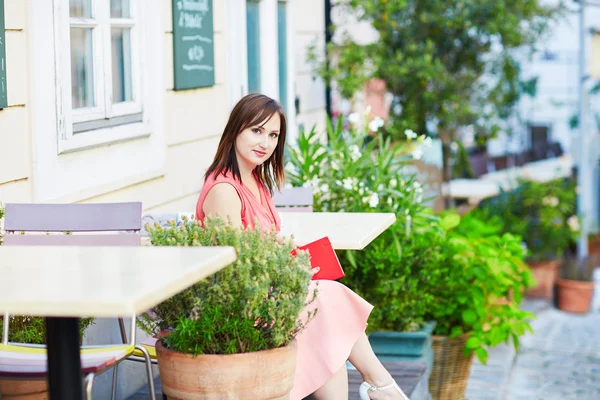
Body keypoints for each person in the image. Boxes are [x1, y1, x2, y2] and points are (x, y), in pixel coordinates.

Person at [196, 93, 409, 400]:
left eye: (273, 135)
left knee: (327, 324)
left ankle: (380, 384)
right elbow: (234, 269)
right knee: (327, 303)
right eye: (256, 131)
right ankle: (380, 383)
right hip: (240, 306)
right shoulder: (225, 190)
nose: (265, 143)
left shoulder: (256, 183)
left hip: (268, 293)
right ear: (236, 130)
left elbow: (263, 249)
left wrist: (293, 263)